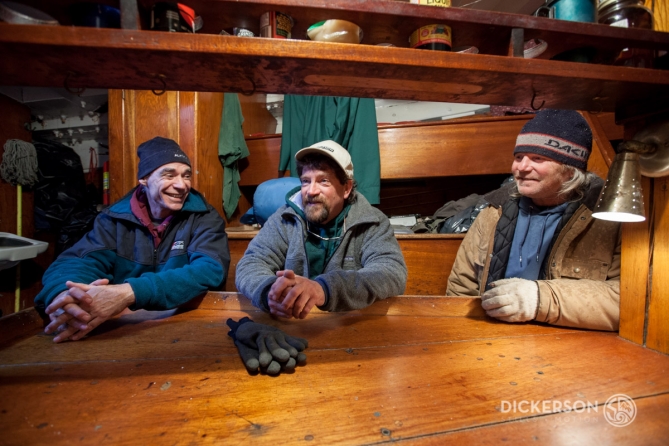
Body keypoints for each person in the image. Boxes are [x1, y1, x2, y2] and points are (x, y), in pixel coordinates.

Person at [35, 136, 231, 342]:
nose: (181, 185)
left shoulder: (204, 217)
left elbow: (209, 270)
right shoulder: (112, 219)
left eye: (186, 175)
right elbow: (76, 261)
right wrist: (65, 297)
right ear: (144, 179)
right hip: (125, 330)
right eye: (169, 175)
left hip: (187, 325)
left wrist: (128, 293)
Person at [446, 109, 621, 331]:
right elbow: (462, 287)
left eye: (538, 158)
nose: (522, 168)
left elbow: (630, 301)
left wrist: (539, 299)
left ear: (570, 170)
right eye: (519, 157)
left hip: (573, 345)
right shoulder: (492, 212)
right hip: (492, 338)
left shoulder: (608, 218)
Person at [236, 140, 407, 319]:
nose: (311, 191)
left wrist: (323, 289)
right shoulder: (283, 219)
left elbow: (390, 272)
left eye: (323, 181)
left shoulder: (372, 221)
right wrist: (271, 292)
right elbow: (251, 264)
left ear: (346, 188)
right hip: (293, 325)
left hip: (349, 325)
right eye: (305, 181)